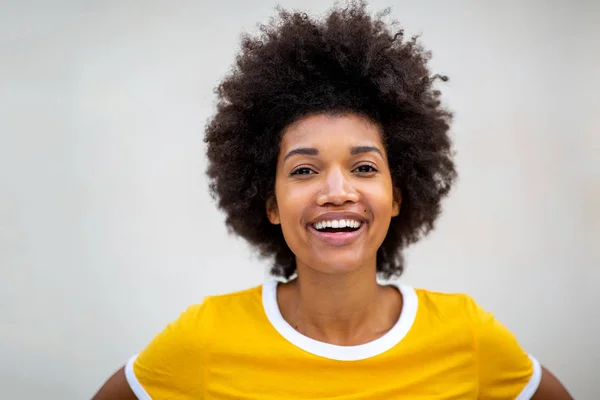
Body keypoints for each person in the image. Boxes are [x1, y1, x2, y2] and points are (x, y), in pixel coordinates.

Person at [92, 2, 573, 399]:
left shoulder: (468, 338)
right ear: (271, 204)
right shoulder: (204, 340)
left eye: (364, 168)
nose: (338, 192)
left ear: (398, 194)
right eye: (304, 170)